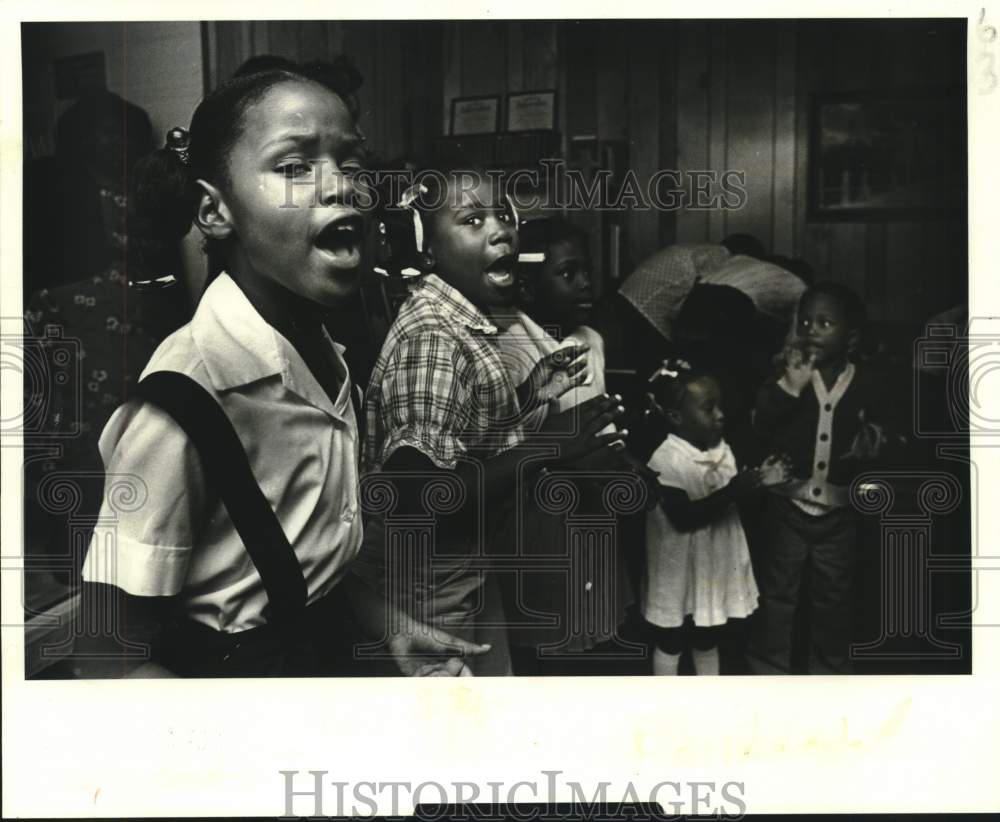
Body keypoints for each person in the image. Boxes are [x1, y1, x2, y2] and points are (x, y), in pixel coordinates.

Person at [75, 69, 485, 678]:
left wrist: (388, 628)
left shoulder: (326, 352)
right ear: (215, 210)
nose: (340, 187)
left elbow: (293, 565)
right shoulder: (183, 404)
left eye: (351, 162)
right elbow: (104, 654)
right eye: (293, 166)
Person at [358, 169, 624, 675]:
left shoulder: (461, 321)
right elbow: (419, 493)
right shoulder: (434, 337)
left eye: (504, 215)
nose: (500, 230)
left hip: (462, 567)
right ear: (427, 250)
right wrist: (547, 447)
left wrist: (527, 397)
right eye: (472, 220)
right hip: (425, 588)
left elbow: (459, 436)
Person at [495, 217, 644, 674]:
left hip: (593, 511)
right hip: (539, 516)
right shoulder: (508, 347)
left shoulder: (590, 341)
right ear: (526, 285)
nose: (585, 285)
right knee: (547, 637)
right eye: (567, 273)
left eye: (587, 272)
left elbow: (597, 424)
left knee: (594, 628)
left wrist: (628, 464)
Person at [747, 282, 889, 674]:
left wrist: (873, 440)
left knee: (833, 599)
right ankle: (767, 668)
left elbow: (882, 431)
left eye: (824, 322)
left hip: (839, 514)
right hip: (786, 507)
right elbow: (759, 424)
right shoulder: (787, 373)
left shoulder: (867, 381)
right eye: (805, 320)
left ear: (851, 337)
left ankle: (827, 671)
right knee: (777, 595)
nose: (811, 329)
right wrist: (788, 389)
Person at [644, 359, 789, 675]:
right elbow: (683, 517)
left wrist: (761, 483)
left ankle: (708, 697)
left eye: (720, 406)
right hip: (678, 564)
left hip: (712, 560)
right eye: (709, 408)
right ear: (675, 417)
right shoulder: (666, 458)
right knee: (672, 636)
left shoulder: (722, 450)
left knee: (707, 634)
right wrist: (735, 491)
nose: (720, 415)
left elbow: (739, 505)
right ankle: (661, 703)